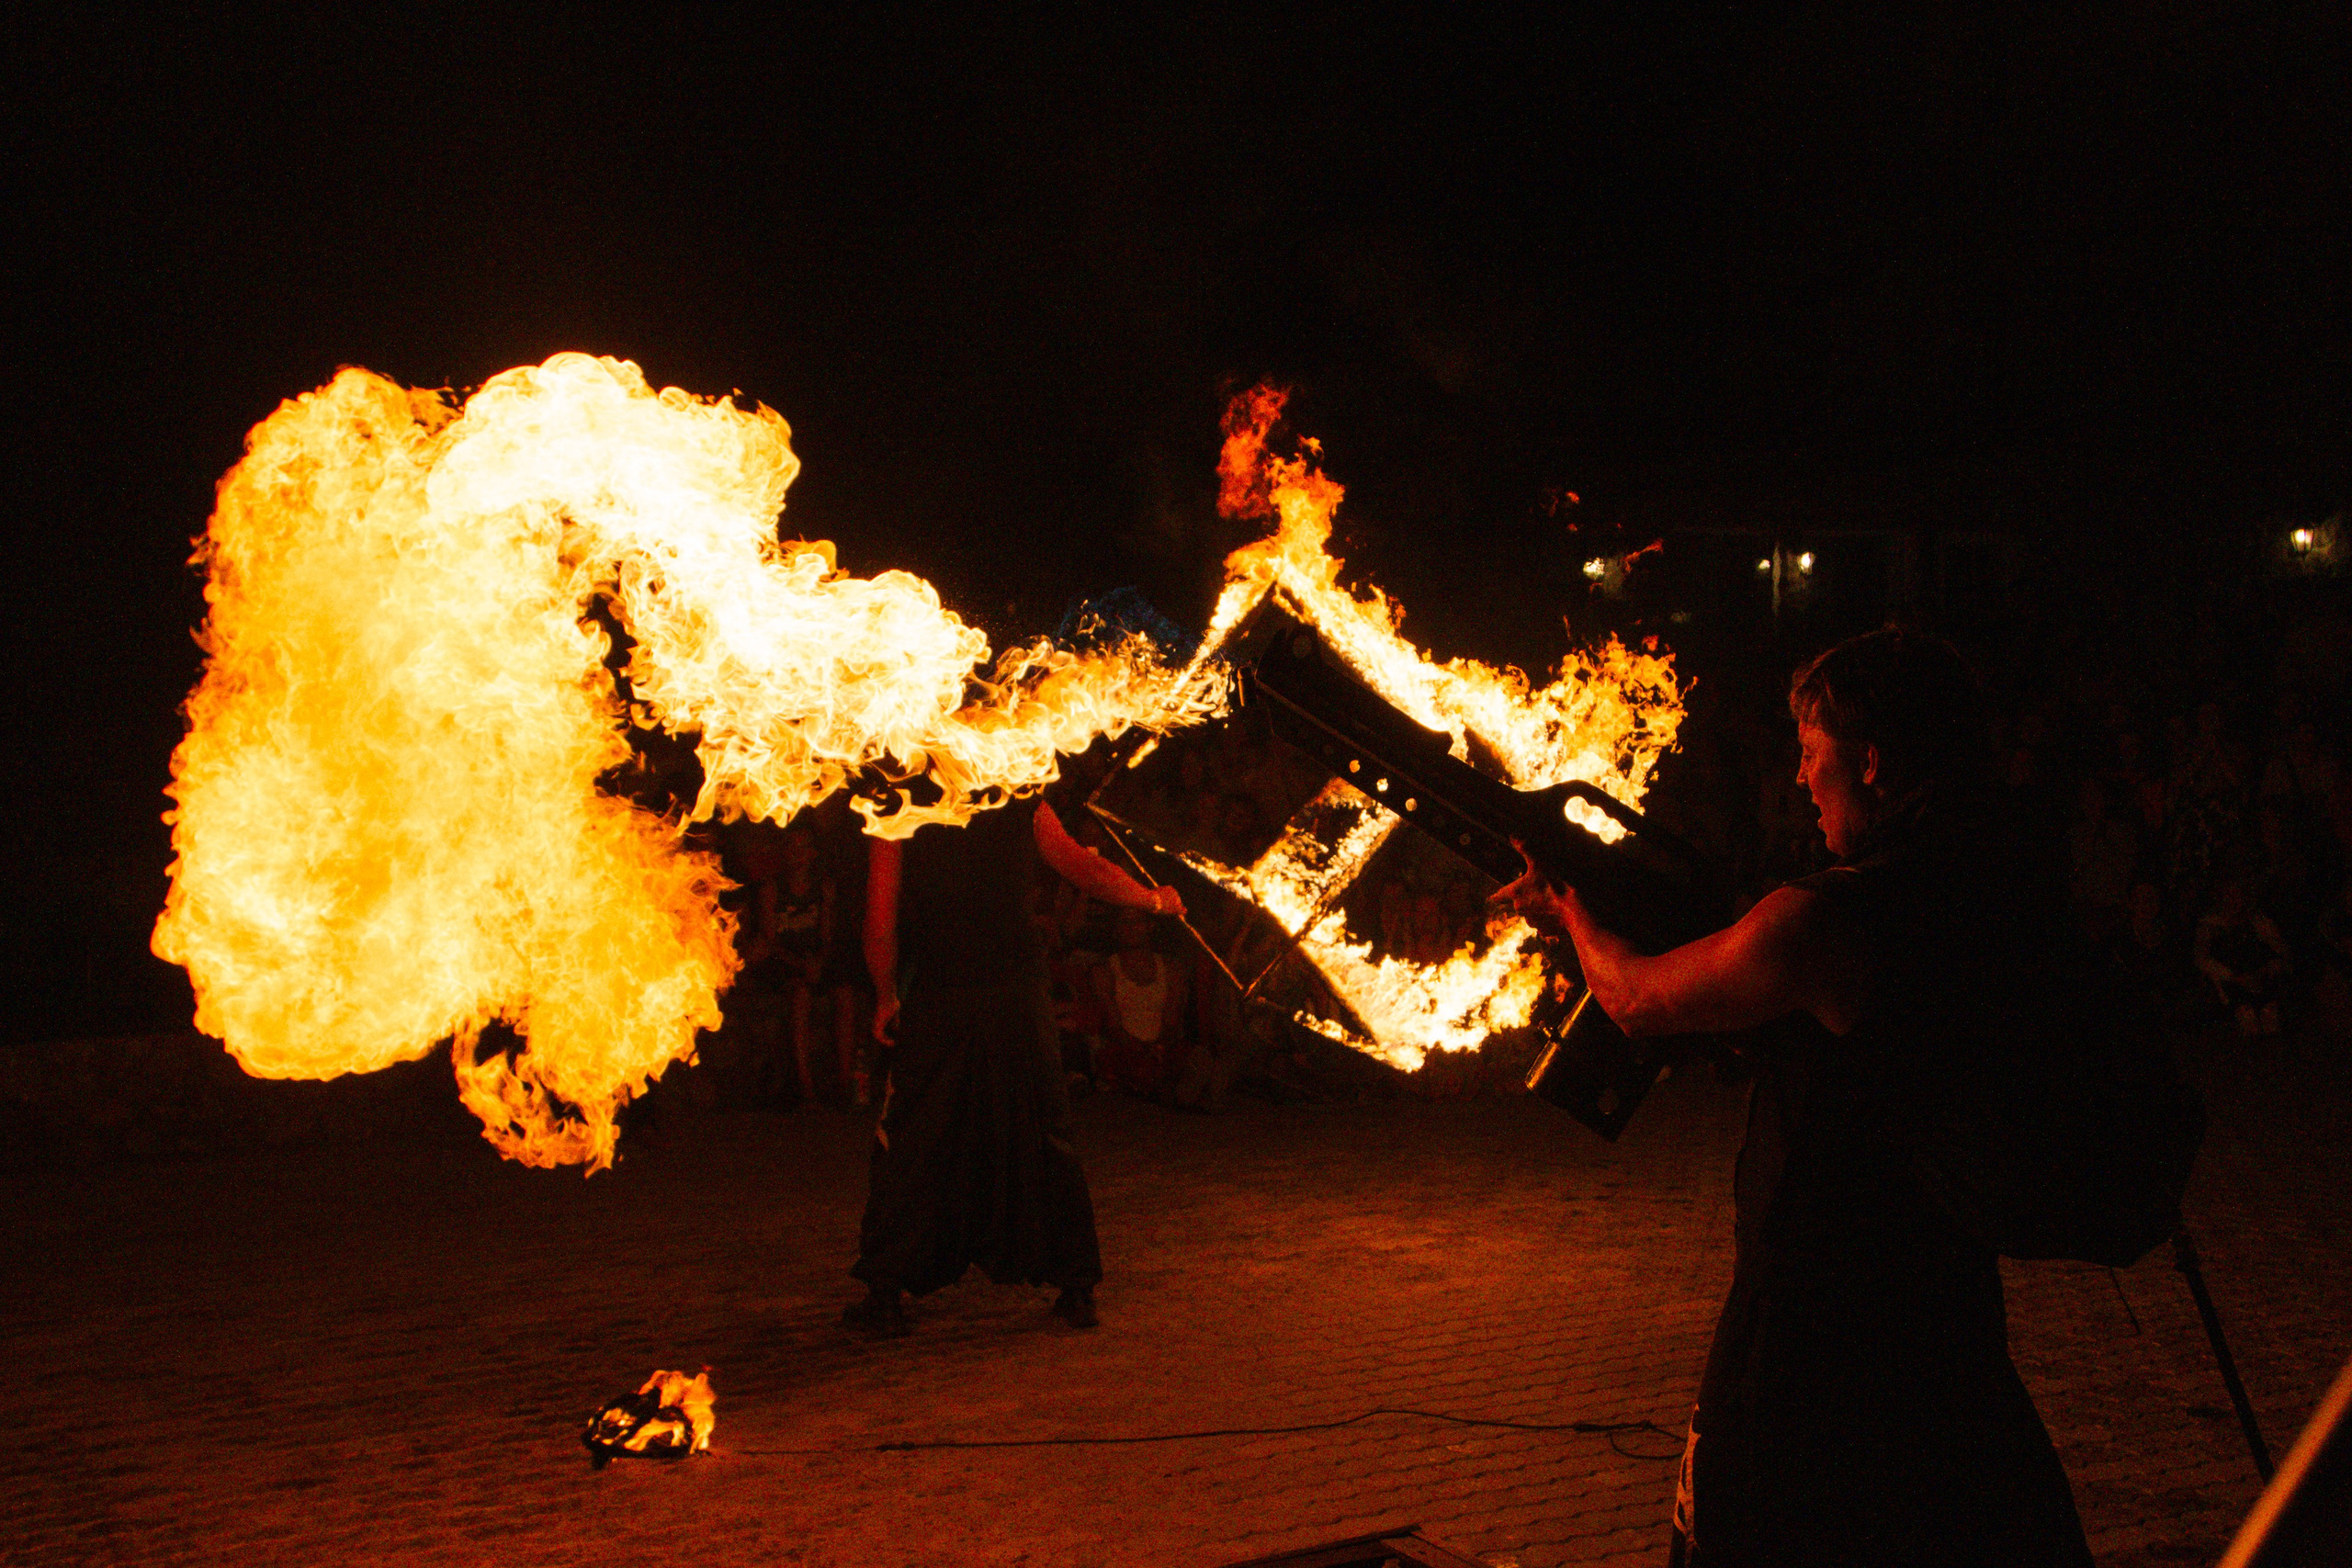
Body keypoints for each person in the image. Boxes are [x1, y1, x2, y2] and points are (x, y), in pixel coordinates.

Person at [1498, 627, 2092, 1568]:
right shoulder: (2005, 882)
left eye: (1812, 757)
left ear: (1871, 762)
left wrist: (1571, 907)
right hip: (1943, 1294)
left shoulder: (1832, 918)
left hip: (1808, 1313)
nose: (1799, 782)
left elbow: (1637, 999)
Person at [842, 784, 1183, 1338]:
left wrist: (885, 994)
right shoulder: (1014, 786)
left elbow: (880, 919)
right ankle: (1077, 1289)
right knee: (1043, 1126)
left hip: (945, 990)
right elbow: (1079, 865)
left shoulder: (896, 802)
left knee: (916, 1134)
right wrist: (1152, 899)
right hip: (1012, 990)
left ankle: (885, 1293)